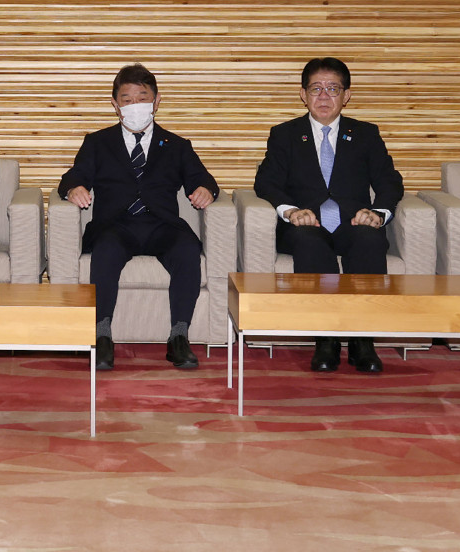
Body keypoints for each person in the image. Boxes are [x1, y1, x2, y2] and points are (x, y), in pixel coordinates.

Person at [58, 64, 218, 371]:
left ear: (156, 102)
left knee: (187, 250)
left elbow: (203, 178)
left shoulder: (177, 145)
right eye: (127, 98)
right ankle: (102, 335)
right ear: (115, 104)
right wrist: (74, 188)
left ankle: (179, 337)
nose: (135, 105)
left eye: (142, 98)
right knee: (104, 252)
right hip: (115, 225)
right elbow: (73, 176)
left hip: (161, 225)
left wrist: (204, 190)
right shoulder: (98, 142)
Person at [253, 57, 404, 374]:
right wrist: (290, 211)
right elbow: (266, 182)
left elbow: (390, 182)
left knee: (370, 240)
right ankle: (327, 339)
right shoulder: (285, 135)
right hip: (306, 223)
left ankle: (362, 340)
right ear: (303, 94)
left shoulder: (365, 134)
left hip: (354, 222)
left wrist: (379, 213)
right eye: (316, 89)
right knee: (309, 242)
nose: (323, 97)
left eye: (332, 89)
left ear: (346, 95)